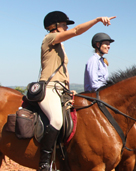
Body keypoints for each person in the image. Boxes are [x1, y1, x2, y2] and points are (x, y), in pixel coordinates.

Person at [38, 11, 116, 171]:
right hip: (49, 88)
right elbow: (75, 31)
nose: (67, 27)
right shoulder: (49, 38)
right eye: (64, 24)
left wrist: (67, 89)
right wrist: (96, 19)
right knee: (57, 120)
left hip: (61, 89)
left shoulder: (60, 45)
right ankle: (44, 162)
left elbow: (63, 70)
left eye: (66, 25)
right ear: (53, 26)